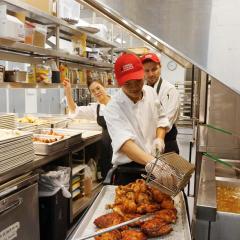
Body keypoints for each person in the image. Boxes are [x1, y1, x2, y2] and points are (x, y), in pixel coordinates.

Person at [104, 53, 171, 185]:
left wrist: (159, 139)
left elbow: (161, 120)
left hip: (153, 161)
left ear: (143, 75)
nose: (134, 87)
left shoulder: (150, 93)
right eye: (128, 83)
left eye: (138, 81)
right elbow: (124, 144)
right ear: (118, 82)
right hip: (129, 171)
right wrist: (152, 163)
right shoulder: (113, 107)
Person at [63, 78, 112, 179]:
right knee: (107, 177)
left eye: (98, 88)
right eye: (93, 91)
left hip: (120, 147)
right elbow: (74, 110)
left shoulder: (117, 103)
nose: (96, 92)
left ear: (104, 87)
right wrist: (68, 91)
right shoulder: (96, 108)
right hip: (106, 148)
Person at [141, 53, 180, 154]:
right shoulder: (141, 90)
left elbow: (167, 120)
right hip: (147, 144)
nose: (151, 74)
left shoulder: (169, 90)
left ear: (160, 67)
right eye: (147, 70)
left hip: (166, 142)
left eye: (154, 69)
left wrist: (158, 139)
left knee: (169, 170)